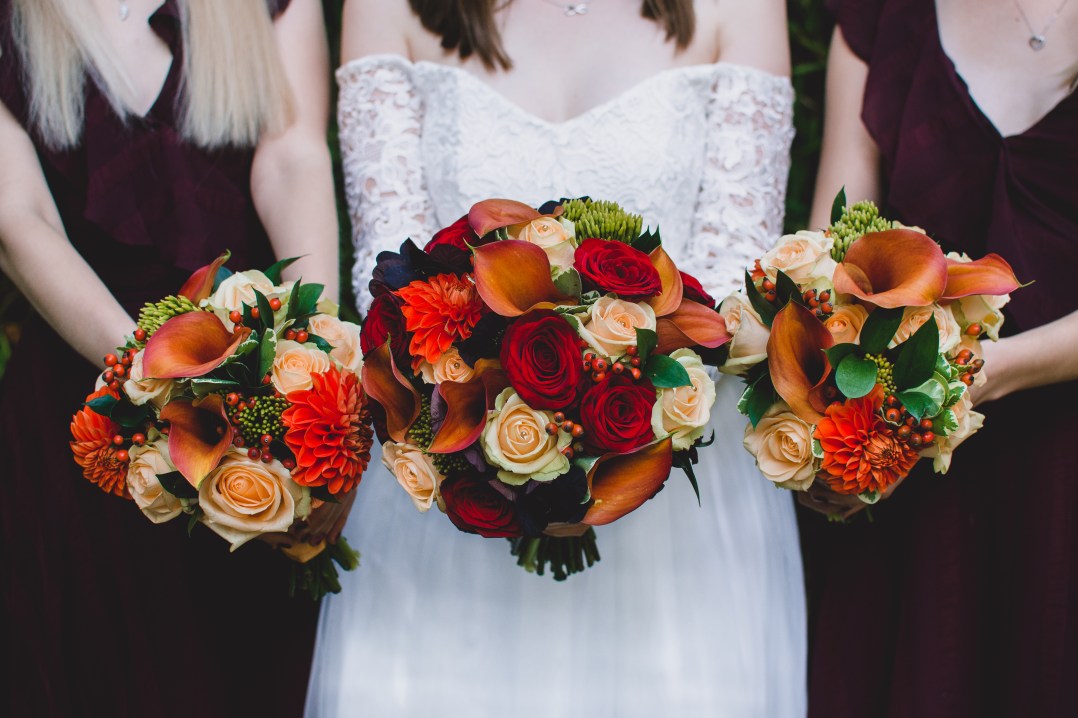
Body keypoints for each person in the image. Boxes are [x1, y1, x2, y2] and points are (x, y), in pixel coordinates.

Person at [305, 1, 806, 715]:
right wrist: (511, 428)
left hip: (670, 497)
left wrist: (597, 431)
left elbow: (733, 292)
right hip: (454, 474)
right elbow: (389, 272)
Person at [0, 0, 342, 715]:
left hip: (255, 401)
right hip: (87, 414)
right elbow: (19, 222)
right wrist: (163, 383)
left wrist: (312, 365)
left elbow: (292, 154)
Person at [799, 0, 1078, 715]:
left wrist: (988, 372)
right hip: (911, 475)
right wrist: (819, 418)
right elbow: (834, 251)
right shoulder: (881, 16)